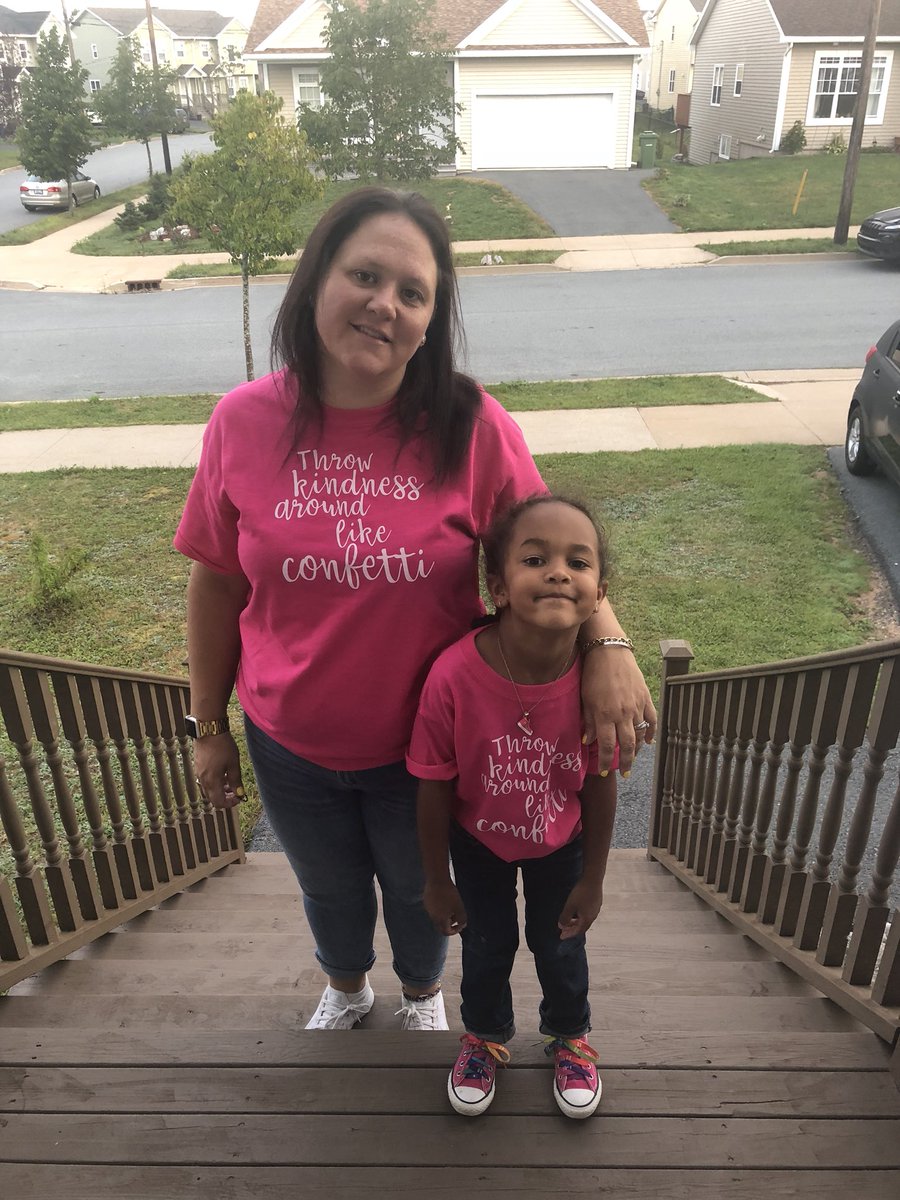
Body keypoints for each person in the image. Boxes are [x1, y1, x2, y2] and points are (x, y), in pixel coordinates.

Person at [173, 186, 654, 1035]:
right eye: (364, 274)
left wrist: (608, 642)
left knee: (419, 888)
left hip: (426, 751)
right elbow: (217, 579)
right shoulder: (241, 422)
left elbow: (551, 552)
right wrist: (207, 723)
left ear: (431, 320)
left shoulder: (471, 425)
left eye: (413, 292)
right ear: (317, 278)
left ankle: (425, 995)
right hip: (288, 741)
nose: (382, 304)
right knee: (325, 887)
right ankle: (349, 985)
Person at [409, 496, 619, 1119]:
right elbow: (432, 783)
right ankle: (485, 1037)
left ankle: (569, 1037)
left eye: (577, 562)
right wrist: (436, 881)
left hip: (563, 843)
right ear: (497, 586)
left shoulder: (595, 682)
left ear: (598, 590)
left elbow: (601, 781)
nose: (558, 571)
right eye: (535, 559)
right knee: (487, 947)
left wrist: (594, 876)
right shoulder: (453, 678)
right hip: (479, 845)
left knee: (560, 948)